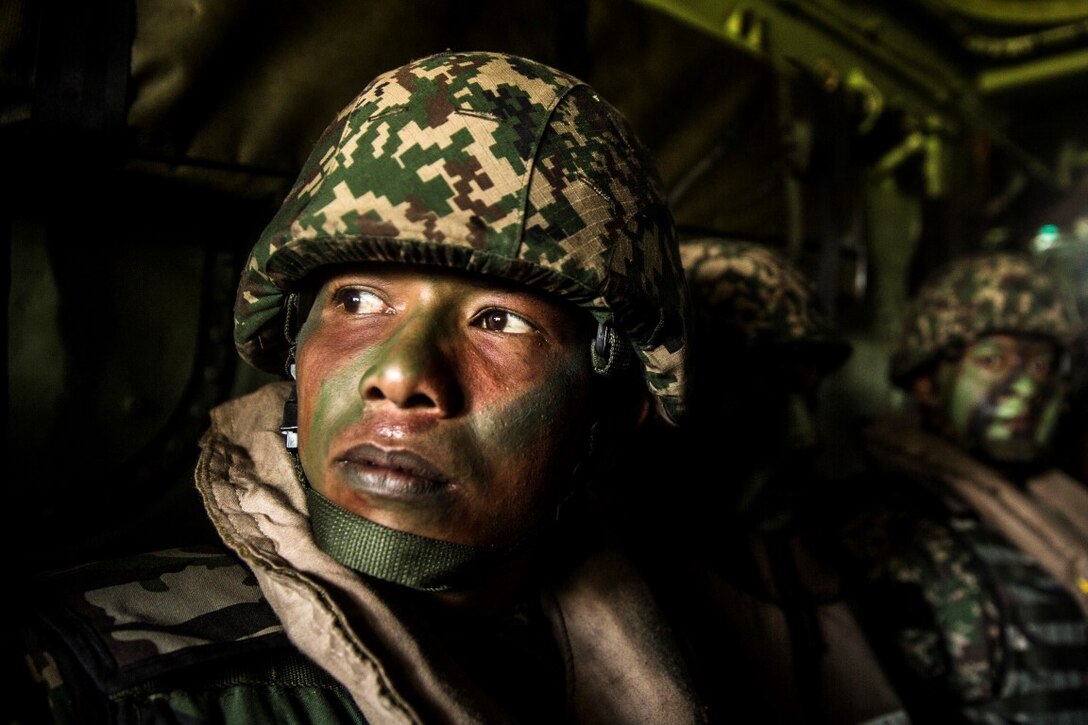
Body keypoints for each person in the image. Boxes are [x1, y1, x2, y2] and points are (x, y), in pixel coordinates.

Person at [15, 50, 706, 723]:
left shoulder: (612, 663)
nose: (401, 378)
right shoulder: (78, 675)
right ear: (295, 348)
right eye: (360, 302)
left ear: (612, 413)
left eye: (500, 321)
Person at [612, 238, 910, 724]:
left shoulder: (804, 559)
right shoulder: (608, 579)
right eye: (762, 394)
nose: (803, 436)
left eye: (807, 394)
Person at [832, 250, 1088, 723]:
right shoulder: (884, 525)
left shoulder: (1062, 506)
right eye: (993, 359)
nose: (1027, 387)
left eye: (1043, 366)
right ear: (927, 382)